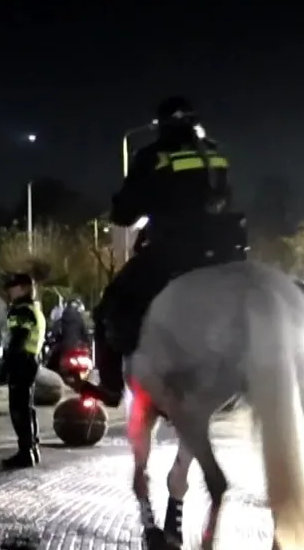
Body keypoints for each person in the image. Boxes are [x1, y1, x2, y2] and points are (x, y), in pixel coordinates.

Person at [85, 96, 239, 405]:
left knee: (110, 306)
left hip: (173, 251)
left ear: (162, 124)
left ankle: (111, 385)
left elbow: (126, 212)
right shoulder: (214, 151)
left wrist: (124, 210)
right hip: (225, 252)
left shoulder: (153, 155)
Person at [1, 271, 46, 470]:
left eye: (14, 287)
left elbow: (18, 339)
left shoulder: (21, 310)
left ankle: (25, 452)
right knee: (26, 407)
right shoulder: (34, 308)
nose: (10, 292)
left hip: (21, 362)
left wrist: (5, 367)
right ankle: (32, 449)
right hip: (30, 361)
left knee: (18, 409)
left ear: (25, 288)